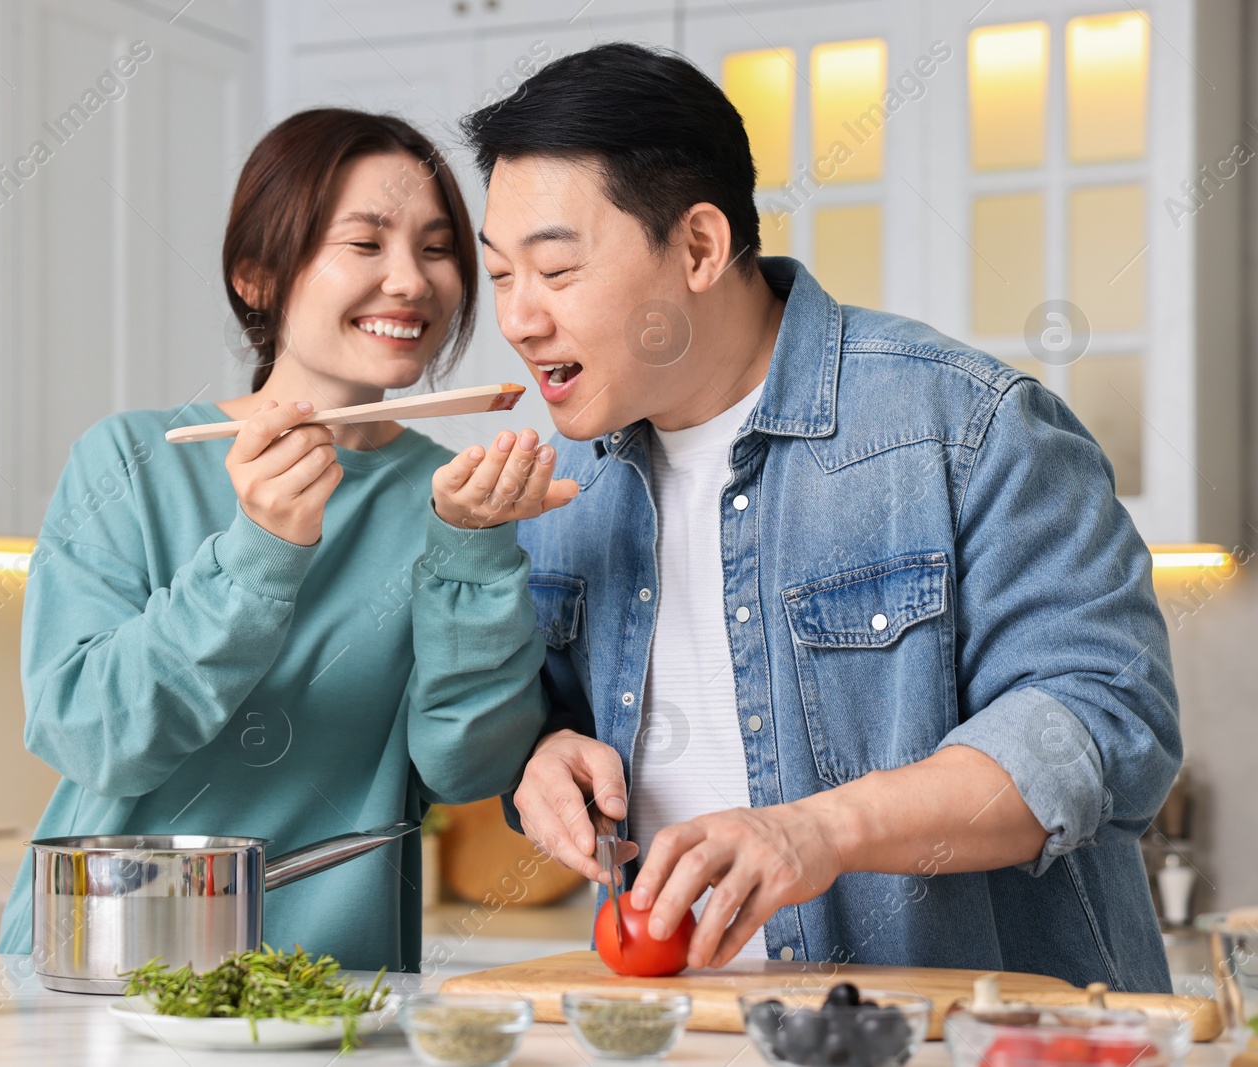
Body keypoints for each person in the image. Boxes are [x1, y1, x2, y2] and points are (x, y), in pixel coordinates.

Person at [436, 42, 1181, 990]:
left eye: (555, 270)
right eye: (502, 277)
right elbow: (535, 719)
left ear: (700, 247)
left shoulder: (965, 426)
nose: (519, 318)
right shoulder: (560, 484)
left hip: (974, 1043)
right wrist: (540, 757)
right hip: (693, 1038)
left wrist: (819, 829)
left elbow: (1103, 720)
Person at [0, 108, 566, 971]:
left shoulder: (461, 495)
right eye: (366, 244)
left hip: (330, 994)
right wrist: (256, 556)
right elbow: (85, 733)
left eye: (438, 247)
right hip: (99, 978)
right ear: (259, 277)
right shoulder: (130, 460)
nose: (410, 280)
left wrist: (474, 552)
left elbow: (466, 768)